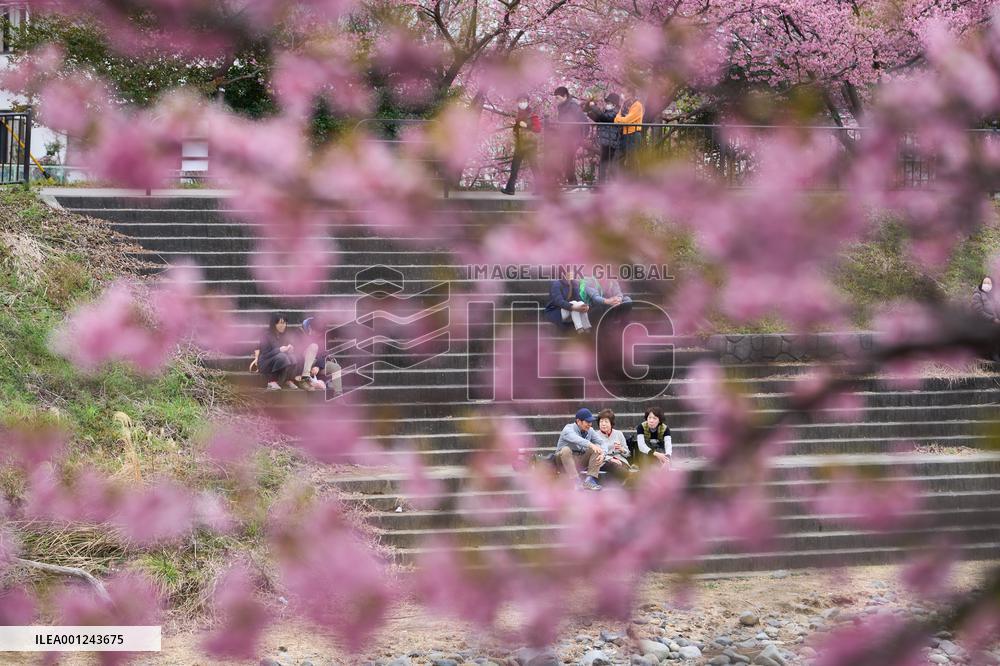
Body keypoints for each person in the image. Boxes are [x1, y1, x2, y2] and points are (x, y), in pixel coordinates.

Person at [555, 408, 605, 490]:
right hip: (563, 460)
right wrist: (590, 444)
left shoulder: (590, 430)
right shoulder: (568, 429)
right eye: (587, 422)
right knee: (565, 450)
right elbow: (576, 439)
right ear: (578, 421)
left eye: (591, 422)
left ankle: (589, 481)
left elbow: (602, 442)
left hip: (579, 460)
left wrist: (603, 454)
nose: (590, 424)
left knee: (598, 449)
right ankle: (576, 482)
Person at [501, 94, 541, 196]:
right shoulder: (519, 115)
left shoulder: (533, 115)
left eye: (524, 101)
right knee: (514, 167)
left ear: (528, 102)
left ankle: (540, 189)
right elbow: (517, 129)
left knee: (534, 166)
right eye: (520, 101)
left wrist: (527, 125)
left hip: (530, 145)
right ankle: (510, 189)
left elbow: (538, 129)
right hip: (520, 145)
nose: (522, 103)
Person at [249, 314, 302, 391]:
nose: (283, 325)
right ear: (274, 324)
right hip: (265, 362)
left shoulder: (285, 335)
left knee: (293, 357)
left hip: (279, 360)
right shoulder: (266, 336)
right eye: (280, 323)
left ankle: (288, 380)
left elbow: (286, 351)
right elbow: (265, 354)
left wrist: (290, 349)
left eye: (284, 323)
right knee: (282, 357)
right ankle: (271, 381)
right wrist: (279, 350)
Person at [551, 86, 589, 189]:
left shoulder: (573, 106)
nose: (556, 100)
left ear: (565, 96)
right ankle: (571, 183)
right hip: (566, 138)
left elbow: (582, 122)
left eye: (558, 98)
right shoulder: (562, 107)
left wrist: (580, 138)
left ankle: (573, 184)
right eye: (556, 98)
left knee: (568, 161)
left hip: (573, 138)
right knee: (565, 161)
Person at [586, 93, 622, 184]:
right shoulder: (608, 112)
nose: (607, 104)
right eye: (607, 102)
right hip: (606, 141)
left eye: (608, 102)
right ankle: (603, 185)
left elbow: (604, 117)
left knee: (608, 164)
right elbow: (599, 119)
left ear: (614, 104)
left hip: (610, 141)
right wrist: (588, 111)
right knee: (605, 163)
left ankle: (615, 185)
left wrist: (594, 107)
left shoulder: (616, 112)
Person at [301, 317, 343, 394]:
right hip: (305, 366)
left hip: (316, 367)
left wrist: (318, 366)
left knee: (336, 367)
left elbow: (324, 354)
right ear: (310, 327)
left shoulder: (321, 339)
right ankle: (305, 378)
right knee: (314, 346)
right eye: (316, 331)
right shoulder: (301, 337)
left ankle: (338, 394)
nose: (318, 334)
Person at [593, 409, 632, 475]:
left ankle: (630, 478)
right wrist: (611, 459)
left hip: (620, 460)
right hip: (604, 462)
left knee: (622, 467)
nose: (603, 424)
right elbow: (597, 454)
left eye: (606, 421)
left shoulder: (619, 433)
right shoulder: (595, 435)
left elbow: (628, 454)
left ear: (611, 423)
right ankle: (631, 477)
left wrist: (622, 449)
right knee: (614, 466)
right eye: (601, 421)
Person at [971, 277, 1000, 361]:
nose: (986, 284)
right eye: (985, 282)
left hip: (993, 321)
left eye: (989, 283)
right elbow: (978, 312)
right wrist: (993, 319)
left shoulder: (993, 297)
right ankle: (994, 354)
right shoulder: (977, 295)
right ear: (982, 283)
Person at [614, 89, 645, 168]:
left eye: (626, 94)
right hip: (624, 135)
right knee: (619, 159)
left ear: (631, 94)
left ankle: (634, 179)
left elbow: (626, 120)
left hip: (633, 135)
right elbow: (615, 119)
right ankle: (622, 179)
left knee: (632, 161)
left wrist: (619, 119)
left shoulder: (637, 105)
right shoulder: (624, 105)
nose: (624, 96)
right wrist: (620, 119)